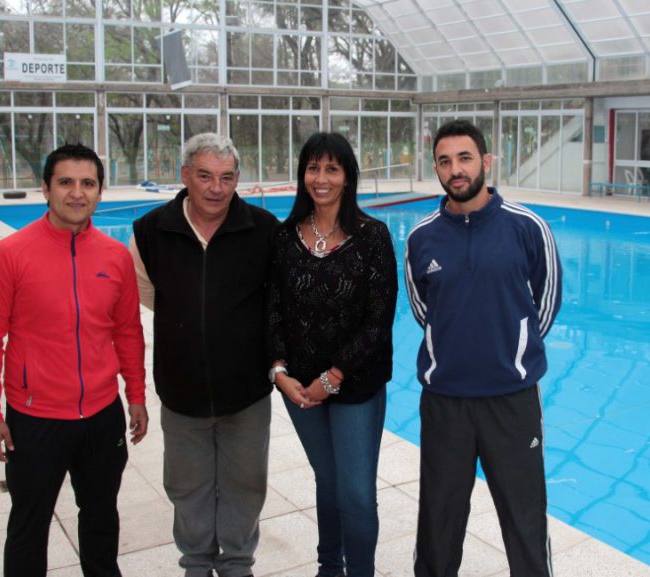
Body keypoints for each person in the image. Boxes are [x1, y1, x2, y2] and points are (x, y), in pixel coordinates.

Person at [0, 143, 148, 577]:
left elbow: (128, 331)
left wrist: (137, 395)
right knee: (29, 527)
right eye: (65, 182)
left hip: (101, 416)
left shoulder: (114, 256)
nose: (77, 193)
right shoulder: (9, 255)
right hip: (35, 420)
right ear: (45, 189)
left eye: (87, 183)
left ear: (100, 192)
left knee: (101, 520)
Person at [405, 119, 562, 577]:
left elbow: (546, 302)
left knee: (524, 518)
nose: (455, 169)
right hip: (446, 401)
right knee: (438, 521)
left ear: (486, 162)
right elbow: (424, 310)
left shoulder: (527, 227)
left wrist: (511, 354)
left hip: (511, 400)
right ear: (436, 167)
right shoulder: (421, 237)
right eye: (444, 161)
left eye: (465, 158)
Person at [130, 133, 278, 577]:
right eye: (205, 176)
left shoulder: (263, 230)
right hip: (181, 389)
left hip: (246, 392)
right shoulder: (151, 231)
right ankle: (195, 563)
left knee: (246, 485)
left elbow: (276, 301)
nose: (216, 188)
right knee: (186, 486)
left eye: (227, 177)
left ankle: (237, 563)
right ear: (185, 176)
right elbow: (147, 294)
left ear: (238, 179)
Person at [267, 132, 397, 577]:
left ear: (347, 177)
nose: (321, 178)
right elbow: (273, 310)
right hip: (299, 387)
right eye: (313, 168)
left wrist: (334, 377)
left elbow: (378, 320)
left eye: (332, 169)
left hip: (355, 385)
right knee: (328, 480)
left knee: (356, 492)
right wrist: (279, 372)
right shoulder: (284, 238)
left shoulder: (372, 236)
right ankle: (329, 567)